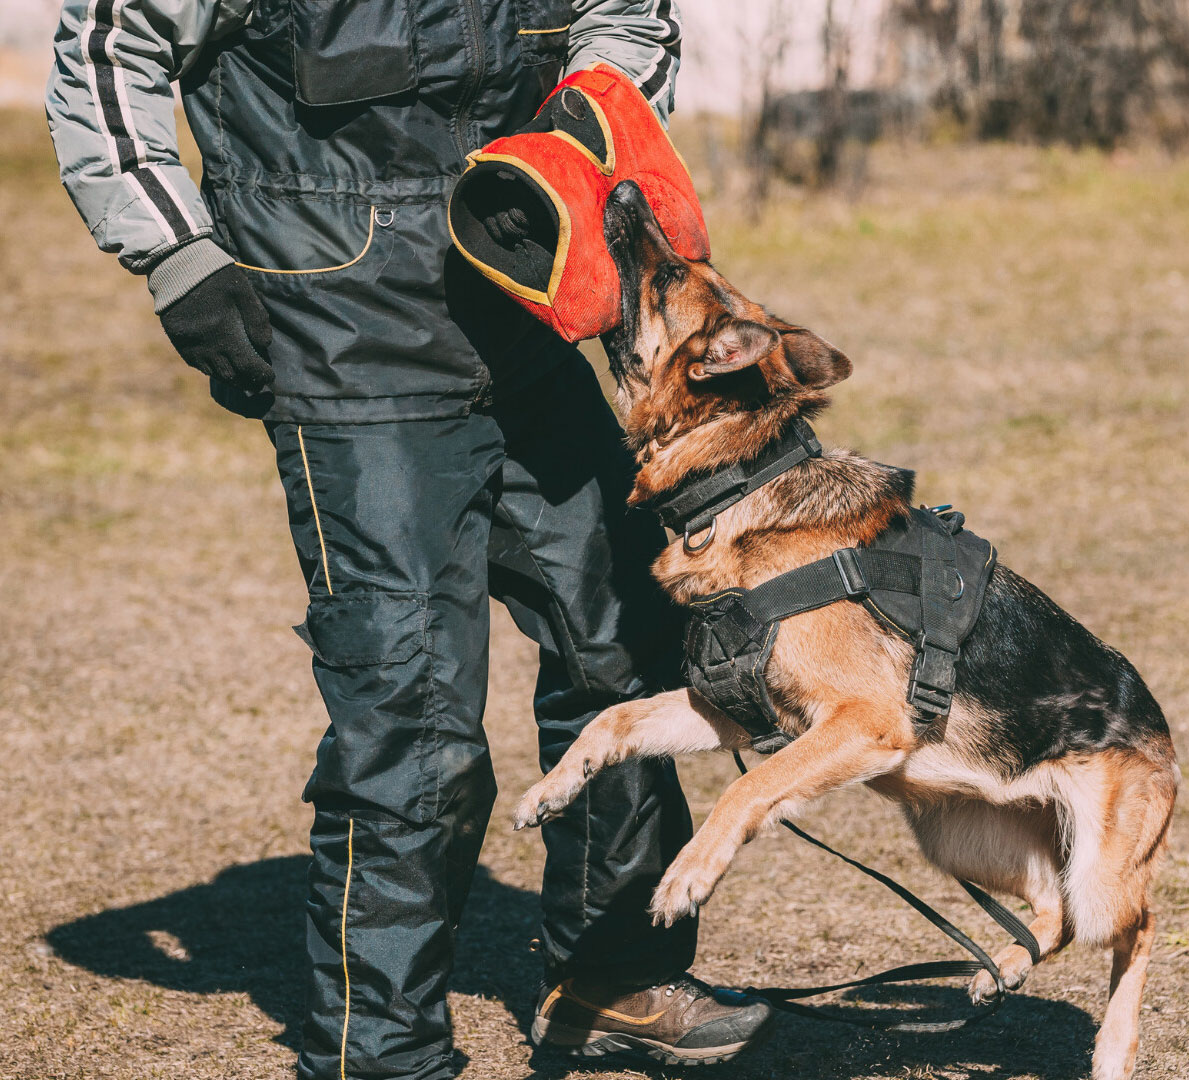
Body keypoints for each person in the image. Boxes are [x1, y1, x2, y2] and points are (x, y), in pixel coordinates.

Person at [44, 0, 774, 1076]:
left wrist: (587, 128)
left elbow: (628, 16)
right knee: (412, 711)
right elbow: (109, 49)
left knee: (624, 647)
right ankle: (379, 1050)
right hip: (345, 342)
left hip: (526, 314)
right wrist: (178, 258)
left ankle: (613, 978)